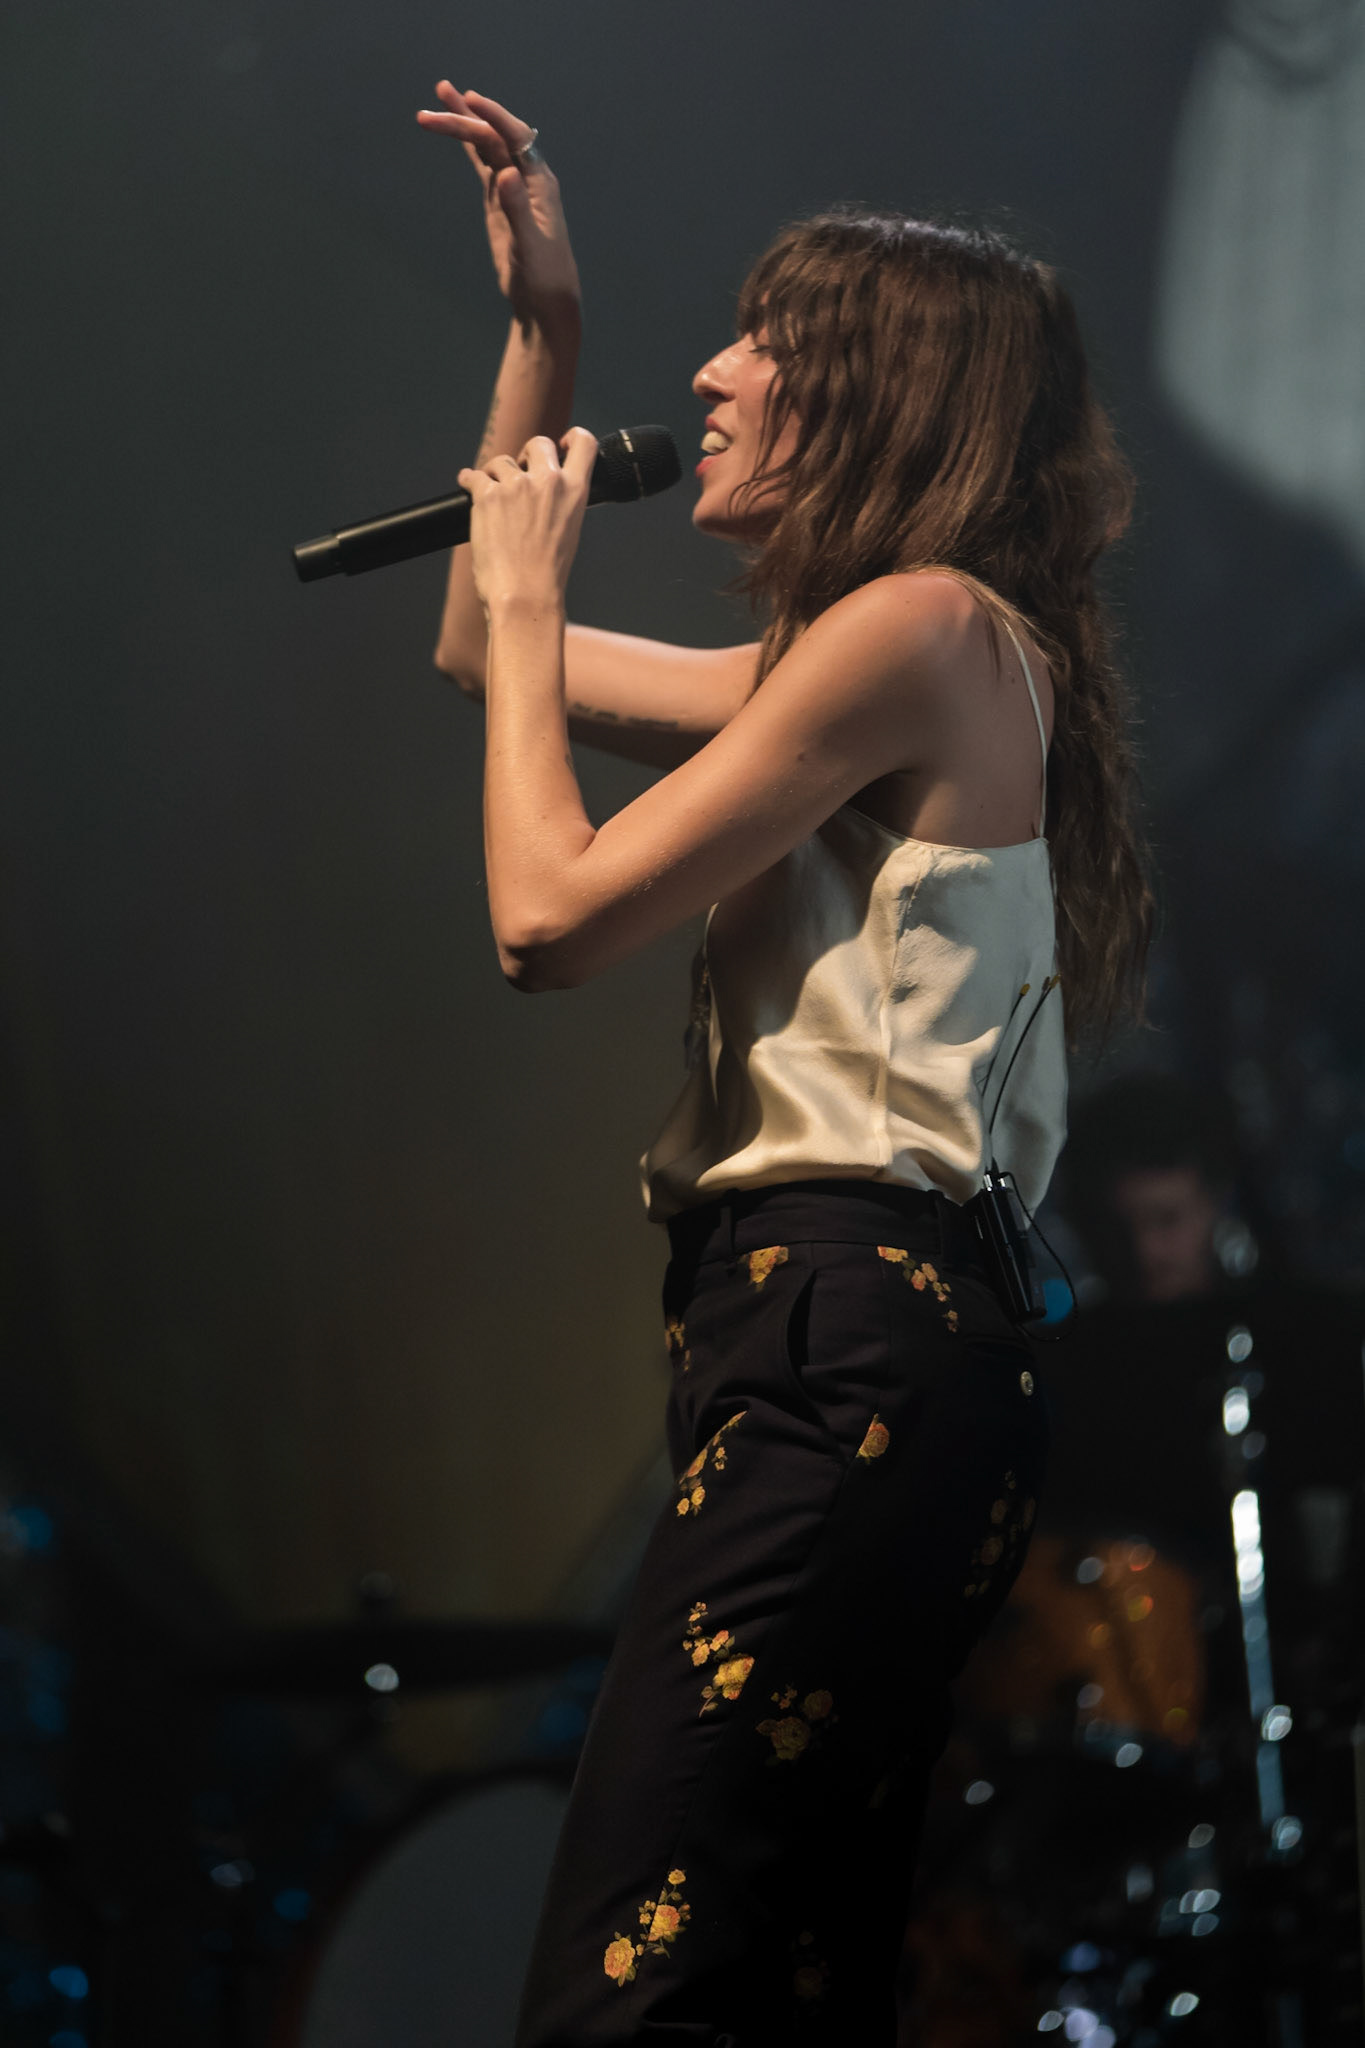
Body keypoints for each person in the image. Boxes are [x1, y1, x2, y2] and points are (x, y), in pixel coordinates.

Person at [417, 79, 1152, 2048]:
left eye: (771, 343)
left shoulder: (915, 628)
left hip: (855, 1328)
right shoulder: (868, 652)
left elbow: (542, 917)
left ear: (884, 403)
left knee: (641, 1991)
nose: (715, 373)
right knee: (749, 1983)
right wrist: (538, 348)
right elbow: (492, 661)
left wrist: (527, 578)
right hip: (824, 1341)